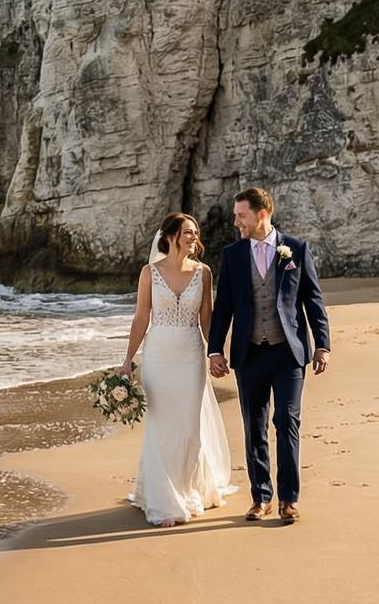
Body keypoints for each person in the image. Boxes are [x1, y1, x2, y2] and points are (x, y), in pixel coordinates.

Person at [205, 188, 331, 525]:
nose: (236, 222)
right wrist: (215, 349)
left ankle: (288, 500)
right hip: (249, 354)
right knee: (254, 428)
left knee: (287, 422)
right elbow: (224, 306)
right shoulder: (232, 255)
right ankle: (260, 496)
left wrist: (322, 344)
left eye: (241, 215)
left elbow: (312, 300)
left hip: (288, 353)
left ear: (262, 214)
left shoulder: (297, 249)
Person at [117, 212, 234, 526]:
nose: (193, 237)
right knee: (162, 428)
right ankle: (163, 499)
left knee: (188, 428)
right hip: (158, 358)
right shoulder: (149, 273)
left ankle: (187, 489)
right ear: (169, 237)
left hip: (191, 357)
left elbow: (207, 318)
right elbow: (142, 317)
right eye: (187, 232)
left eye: (195, 232)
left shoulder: (204, 273)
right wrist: (128, 360)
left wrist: (216, 353)